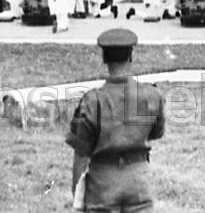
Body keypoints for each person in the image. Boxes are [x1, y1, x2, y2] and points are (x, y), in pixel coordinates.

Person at [66, 29, 165, 212]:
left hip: (102, 181)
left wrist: (76, 197)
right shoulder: (152, 95)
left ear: (104, 59)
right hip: (138, 179)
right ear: (131, 57)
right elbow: (156, 132)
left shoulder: (92, 101)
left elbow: (80, 155)